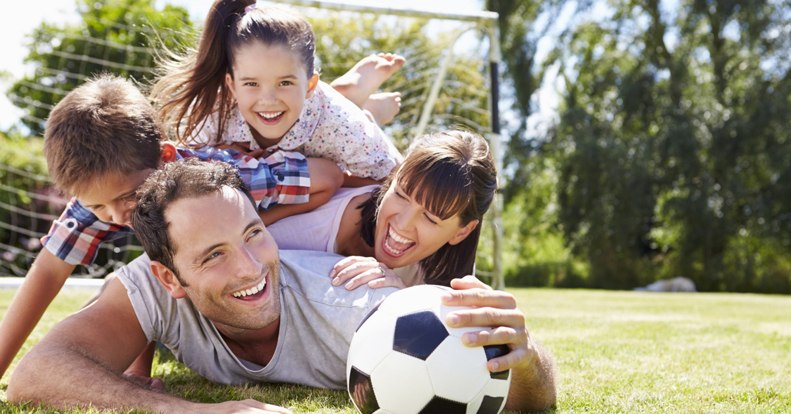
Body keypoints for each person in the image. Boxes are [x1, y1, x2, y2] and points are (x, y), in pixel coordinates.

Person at [6, 159, 557, 412]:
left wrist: (528, 358)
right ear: (169, 277)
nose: (250, 268)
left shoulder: (361, 309)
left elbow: (520, 398)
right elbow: (34, 375)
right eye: (214, 255)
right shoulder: (147, 290)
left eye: (253, 234)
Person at [0, 59, 394, 382]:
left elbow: (327, 177)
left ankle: (355, 103)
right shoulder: (98, 197)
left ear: (166, 160)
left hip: (310, 163)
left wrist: (252, 225)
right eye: (98, 207)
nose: (117, 215)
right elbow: (47, 273)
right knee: (137, 274)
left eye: (126, 197)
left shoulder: (221, 177)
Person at [150, 0, 403, 190]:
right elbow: (186, 164)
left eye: (284, 82)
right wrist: (227, 151)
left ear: (310, 85)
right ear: (232, 86)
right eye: (251, 83)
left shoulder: (340, 124)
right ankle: (352, 94)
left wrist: (332, 176)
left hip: (326, 129)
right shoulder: (215, 111)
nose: (268, 99)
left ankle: (369, 111)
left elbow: (390, 179)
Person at [267, 130, 497, 289]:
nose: (403, 224)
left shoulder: (442, 282)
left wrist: (397, 295)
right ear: (391, 180)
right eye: (401, 195)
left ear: (462, 232)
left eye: (430, 218)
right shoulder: (318, 210)